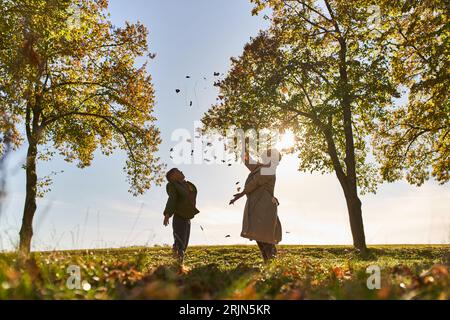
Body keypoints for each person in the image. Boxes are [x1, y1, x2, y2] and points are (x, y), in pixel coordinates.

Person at [229, 149, 283, 262]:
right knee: (259, 236)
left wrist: (241, 194)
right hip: (256, 206)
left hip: (265, 207)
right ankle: (269, 264)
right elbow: (247, 160)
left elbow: (255, 182)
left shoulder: (270, 170)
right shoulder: (260, 167)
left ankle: (273, 264)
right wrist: (244, 145)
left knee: (266, 237)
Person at [163, 168, 199, 264]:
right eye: (178, 171)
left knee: (185, 243)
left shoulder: (187, 185)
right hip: (179, 216)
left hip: (187, 217)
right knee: (179, 242)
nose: (181, 171)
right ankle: (176, 263)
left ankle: (178, 263)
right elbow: (172, 199)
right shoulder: (173, 185)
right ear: (173, 177)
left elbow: (192, 195)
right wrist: (167, 214)